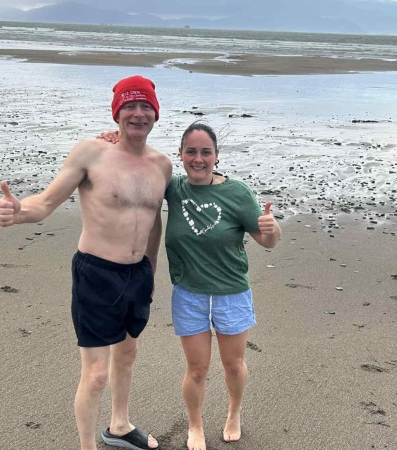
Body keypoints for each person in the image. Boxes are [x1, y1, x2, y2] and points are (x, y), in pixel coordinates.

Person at [0, 75, 172, 450]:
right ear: (117, 113)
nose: (138, 113)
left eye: (145, 106)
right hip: (97, 274)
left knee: (128, 354)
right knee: (95, 374)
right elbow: (46, 202)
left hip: (138, 275)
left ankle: (119, 426)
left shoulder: (162, 165)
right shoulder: (91, 153)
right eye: (130, 106)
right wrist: (19, 211)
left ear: (156, 114)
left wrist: (151, 270)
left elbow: (154, 222)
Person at [98, 121, 281, 450]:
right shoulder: (173, 187)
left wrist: (272, 228)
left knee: (233, 365)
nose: (198, 159)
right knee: (196, 369)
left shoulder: (237, 193)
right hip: (189, 295)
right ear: (181, 154)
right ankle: (195, 425)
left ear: (216, 156)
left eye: (206, 152)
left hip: (232, 294)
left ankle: (233, 414)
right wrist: (117, 143)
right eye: (191, 151)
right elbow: (139, 169)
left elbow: (267, 241)